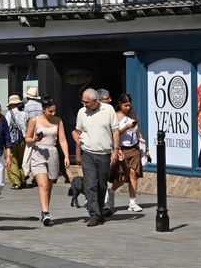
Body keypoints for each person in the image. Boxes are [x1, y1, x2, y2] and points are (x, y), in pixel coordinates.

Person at [73, 88, 121, 227]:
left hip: (105, 153)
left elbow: (115, 131)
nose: (84, 104)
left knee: (101, 185)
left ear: (96, 101)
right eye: (83, 101)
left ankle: (99, 212)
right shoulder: (82, 112)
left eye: (87, 102)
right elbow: (78, 130)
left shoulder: (108, 110)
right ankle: (94, 214)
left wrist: (116, 151)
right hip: (88, 153)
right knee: (90, 184)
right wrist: (74, 134)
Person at [26, 98, 69, 226]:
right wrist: (34, 139)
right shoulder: (35, 120)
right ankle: (45, 213)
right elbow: (27, 139)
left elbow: (62, 140)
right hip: (38, 153)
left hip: (52, 153)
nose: (53, 113)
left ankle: (45, 210)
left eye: (54, 111)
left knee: (49, 185)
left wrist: (66, 156)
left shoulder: (58, 121)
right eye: (50, 111)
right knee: (43, 184)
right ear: (43, 109)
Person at [110, 93, 144, 212]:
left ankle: (132, 202)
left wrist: (144, 146)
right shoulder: (115, 116)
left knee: (133, 174)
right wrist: (126, 127)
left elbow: (138, 131)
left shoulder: (133, 115)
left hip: (134, 148)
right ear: (120, 104)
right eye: (126, 105)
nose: (128, 108)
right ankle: (112, 191)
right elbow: (114, 134)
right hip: (121, 149)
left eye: (129, 105)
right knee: (122, 177)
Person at [4, 94, 29, 189]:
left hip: (11, 141)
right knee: (22, 160)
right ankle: (22, 178)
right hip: (23, 140)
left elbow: (6, 127)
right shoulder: (25, 114)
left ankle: (16, 182)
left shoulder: (8, 114)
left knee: (12, 160)